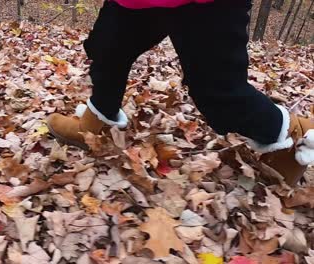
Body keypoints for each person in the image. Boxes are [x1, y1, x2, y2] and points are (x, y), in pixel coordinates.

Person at [47, 0, 314, 185]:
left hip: (206, 6)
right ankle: (96, 124)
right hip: (133, 4)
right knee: (106, 52)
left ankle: (295, 135)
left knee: (219, 94)